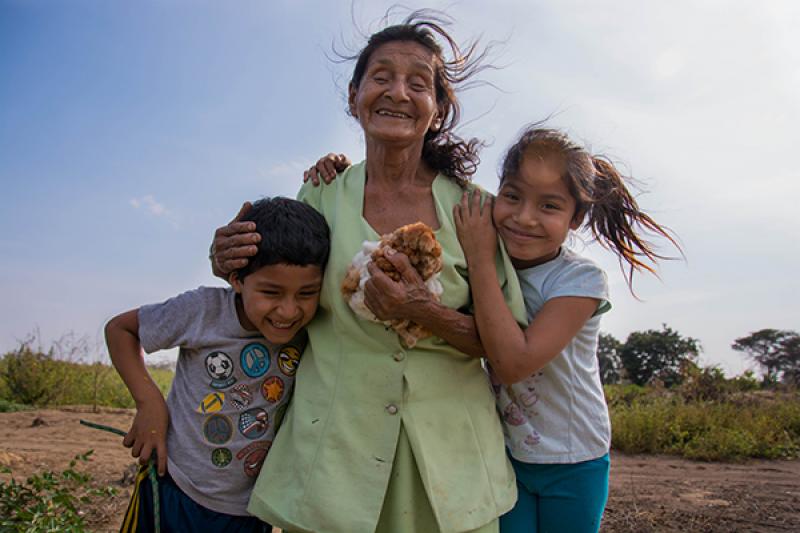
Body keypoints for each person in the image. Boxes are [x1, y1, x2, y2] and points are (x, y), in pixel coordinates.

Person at [211, 13, 528, 533]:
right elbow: (274, 296)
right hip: (333, 460)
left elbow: (507, 344)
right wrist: (227, 260)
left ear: (438, 108)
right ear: (356, 94)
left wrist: (422, 311)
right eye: (381, 77)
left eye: (418, 83)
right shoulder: (320, 194)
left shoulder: (474, 211)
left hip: (448, 468)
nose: (397, 92)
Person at [453, 127, 680, 533]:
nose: (524, 217)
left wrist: (480, 261)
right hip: (506, 451)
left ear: (576, 217)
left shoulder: (580, 279)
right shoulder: (482, 249)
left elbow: (513, 364)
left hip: (575, 459)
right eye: (512, 196)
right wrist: (345, 174)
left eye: (549, 206)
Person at [106, 197, 330, 533]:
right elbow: (120, 329)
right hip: (173, 489)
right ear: (236, 279)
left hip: (250, 511)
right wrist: (149, 402)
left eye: (306, 293)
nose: (288, 311)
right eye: (271, 292)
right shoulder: (202, 310)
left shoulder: (311, 330)